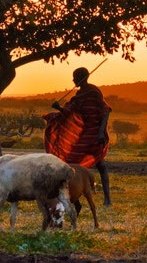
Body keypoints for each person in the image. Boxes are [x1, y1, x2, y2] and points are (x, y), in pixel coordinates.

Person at [44, 67, 113, 206]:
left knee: (101, 165)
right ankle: (72, 195)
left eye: (75, 77)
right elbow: (69, 111)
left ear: (83, 77)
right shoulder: (79, 95)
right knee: (71, 162)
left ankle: (107, 199)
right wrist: (58, 108)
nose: (73, 80)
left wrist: (101, 131)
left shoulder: (94, 92)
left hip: (95, 132)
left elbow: (106, 111)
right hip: (84, 135)